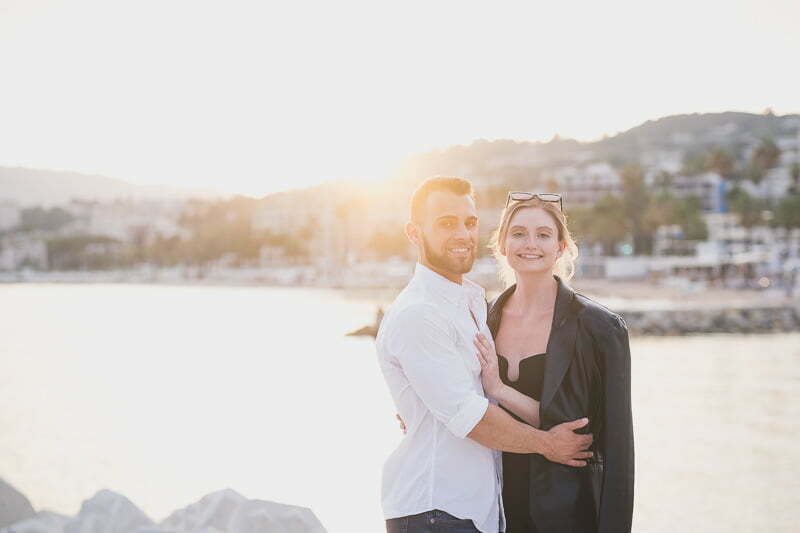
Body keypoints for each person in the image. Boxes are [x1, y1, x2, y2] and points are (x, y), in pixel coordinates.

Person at [376, 178, 595, 533]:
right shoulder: (419, 313)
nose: (463, 233)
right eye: (447, 223)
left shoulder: (474, 304)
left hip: (471, 511)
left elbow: (461, 398)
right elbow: (470, 417)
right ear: (415, 233)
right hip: (435, 510)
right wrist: (548, 445)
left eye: (470, 222)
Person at [473, 192, 634, 532]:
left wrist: (500, 390)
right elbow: (463, 405)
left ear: (561, 247)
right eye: (518, 233)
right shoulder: (483, 321)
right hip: (491, 510)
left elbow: (592, 436)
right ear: (502, 245)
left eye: (543, 234)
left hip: (569, 515)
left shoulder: (599, 328)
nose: (530, 243)